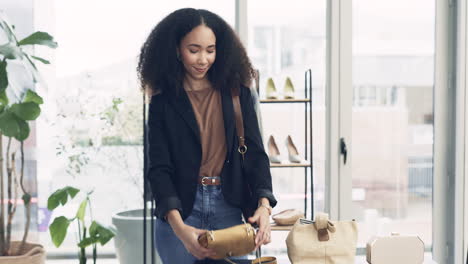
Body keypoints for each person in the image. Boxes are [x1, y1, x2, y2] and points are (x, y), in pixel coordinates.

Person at [137, 8, 277, 263]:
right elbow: (158, 169)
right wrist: (180, 230)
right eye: (194, 50)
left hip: (228, 207)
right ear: (177, 49)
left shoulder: (237, 92)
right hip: (180, 213)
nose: (203, 59)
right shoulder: (162, 100)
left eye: (210, 50)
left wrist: (264, 206)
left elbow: (256, 155)